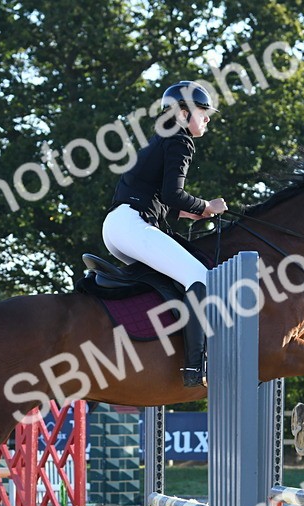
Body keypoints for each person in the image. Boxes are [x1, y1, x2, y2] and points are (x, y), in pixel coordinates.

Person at [102, 81, 227, 387]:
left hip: (119, 227)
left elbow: (162, 200)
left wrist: (186, 211)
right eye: (203, 111)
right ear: (183, 113)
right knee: (201, 277)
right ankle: (195, 367)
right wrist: (207, 206)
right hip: (132, 226)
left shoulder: (162, 139)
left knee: (173, 277)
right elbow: (173, 194)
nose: (208, 118)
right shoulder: (181, 140)